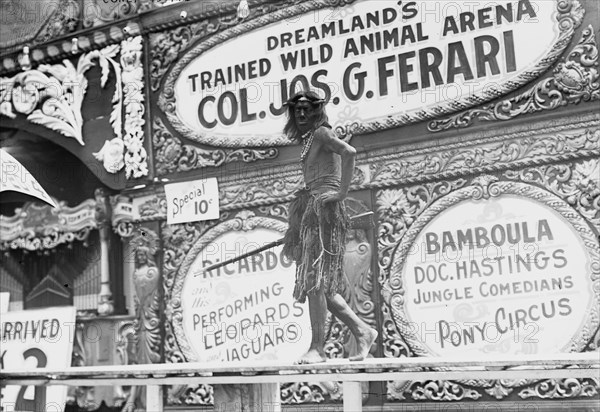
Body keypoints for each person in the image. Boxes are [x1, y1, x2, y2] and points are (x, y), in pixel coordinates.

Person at [282, 91, 378, 364]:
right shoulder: (310, 139)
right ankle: (362, 331)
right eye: (296, 110)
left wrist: (340, 193)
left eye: (306, 109)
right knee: (321, 285)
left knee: (315, 282)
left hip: (325, 211)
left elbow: (349, 151)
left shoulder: (322, 133)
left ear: (316, 111)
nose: (301, 114)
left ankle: (318, 349)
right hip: (314, 211)